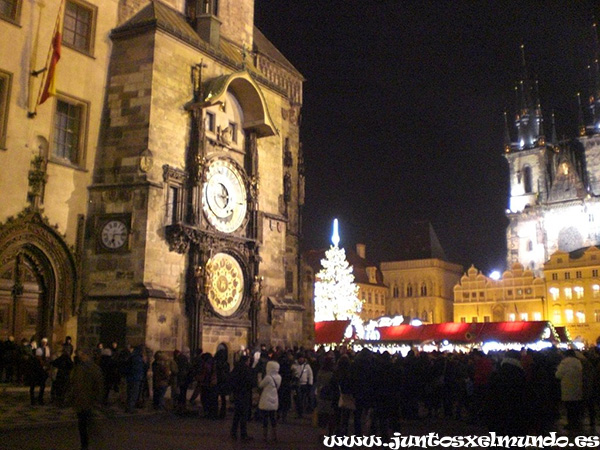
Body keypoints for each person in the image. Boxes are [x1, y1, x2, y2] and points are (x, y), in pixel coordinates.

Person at [67, 348, 104, 450]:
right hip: (87, 400)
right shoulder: (93, 368)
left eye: (82, 355)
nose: (80, 356)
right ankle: (88, 444)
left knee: (84, 424)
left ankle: (86, 445)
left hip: (84, 400)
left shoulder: (83, 368)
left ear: (86, 355)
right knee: (86, 423)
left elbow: (75, 384)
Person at [556, 349, 583, 431]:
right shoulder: (578, 362)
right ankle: (576, 423)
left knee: (569, 407)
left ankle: (571, 424)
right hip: (577, 387)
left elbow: (558, 375)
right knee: (576, 407)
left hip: (567, 387)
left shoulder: (564, 362)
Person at [230, 355, 254, 441]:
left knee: (237, 414)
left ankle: (233, 432)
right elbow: (250, 382)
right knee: (243, 415)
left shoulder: (236, 368)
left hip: (237, 393)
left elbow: (231, 379)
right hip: (244, 394)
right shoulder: (246, 370)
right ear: (246, 361)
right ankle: (243, 434)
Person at [258, 360, 281, 442]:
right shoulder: (279, 377)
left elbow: (261, 385)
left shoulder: (268, 377)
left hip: (266, 399)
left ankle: (265, 436)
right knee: (272, 418)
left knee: (265, 418)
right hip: (274, 398)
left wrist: (259, 377)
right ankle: (274, 435)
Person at [292, 353, 313, 418]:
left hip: (304, 384)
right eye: (300, 358)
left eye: (302, 358)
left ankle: (301, 412)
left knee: (303, 399)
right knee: (298, 399)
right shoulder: (294, 366)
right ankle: (299, 412)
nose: (301, 359)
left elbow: (310, 375)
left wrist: (310, 383)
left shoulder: (307, 366)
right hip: (297, 385)